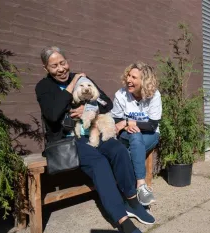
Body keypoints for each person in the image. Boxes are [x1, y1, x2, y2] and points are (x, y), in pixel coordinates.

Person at [35, 46, 155, 233]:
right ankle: (122, 220)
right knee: (99, 163)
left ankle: (133, 202)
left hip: (94, 131)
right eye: (54, 66)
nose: (61, 69)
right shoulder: (44, 87)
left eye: (63, 63)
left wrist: (90, 109)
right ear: (46, 69)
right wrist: (72, 83)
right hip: (69, 140)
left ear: (68, 61)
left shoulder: (84, 79)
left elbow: (107, 102)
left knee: (119, 151)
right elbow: (52, 115)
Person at [112, 62, 162, 206]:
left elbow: (152, 125)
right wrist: (128, 124)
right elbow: (116, 119)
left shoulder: (154, 95)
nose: (129, 80)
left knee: (134, 139)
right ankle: (141, 186)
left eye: (134, 77)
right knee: (135, 135)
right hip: (125, 135)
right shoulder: (121, 94)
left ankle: (126, 193)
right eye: (128, 75)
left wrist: (129, 122)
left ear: (144, 81)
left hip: (150, 134)